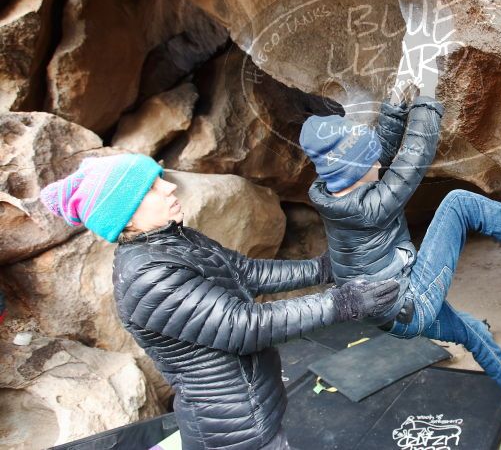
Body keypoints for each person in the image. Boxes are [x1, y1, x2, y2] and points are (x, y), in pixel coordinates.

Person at [39, 153, 400, 450]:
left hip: (248, 413)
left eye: (159, 178)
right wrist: (344, 303)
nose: (168, 187)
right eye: (150, 188)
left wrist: (325, 269)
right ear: (127, 218)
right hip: (231, 433)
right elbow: (241, 326)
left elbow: (246, 272)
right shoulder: (147, 277)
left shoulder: (172, 240)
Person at [299, 86, 501, 426]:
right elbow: (413, 160)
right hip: (409, 300)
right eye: (372, 161)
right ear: (355, 171)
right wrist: (427, 99)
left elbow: (376, 151)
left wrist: (396, 107)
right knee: (460, 203)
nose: (380, 162)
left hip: (391, 310)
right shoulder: (368, 208)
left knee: (474, 333)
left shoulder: (334, 190)